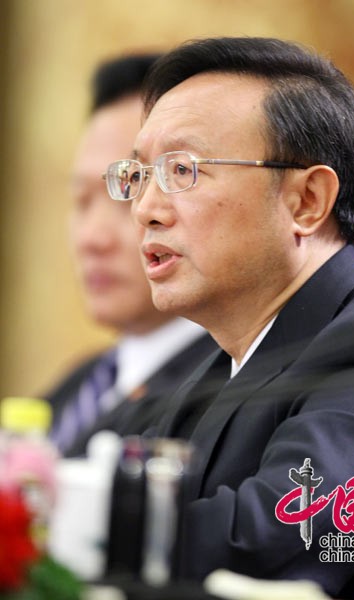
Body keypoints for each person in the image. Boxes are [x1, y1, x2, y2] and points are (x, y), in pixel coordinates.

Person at [104, 37, 354, 599]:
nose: (145, 209)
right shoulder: (220, 362)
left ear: (307, 201)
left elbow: (275, 540)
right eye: (140, 174)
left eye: (183, 170)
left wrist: (70, 528)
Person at [45, 53, 216, 458]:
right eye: (82, 200)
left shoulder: (230, 393)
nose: (92, 238)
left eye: (130, 190)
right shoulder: (78, 386)